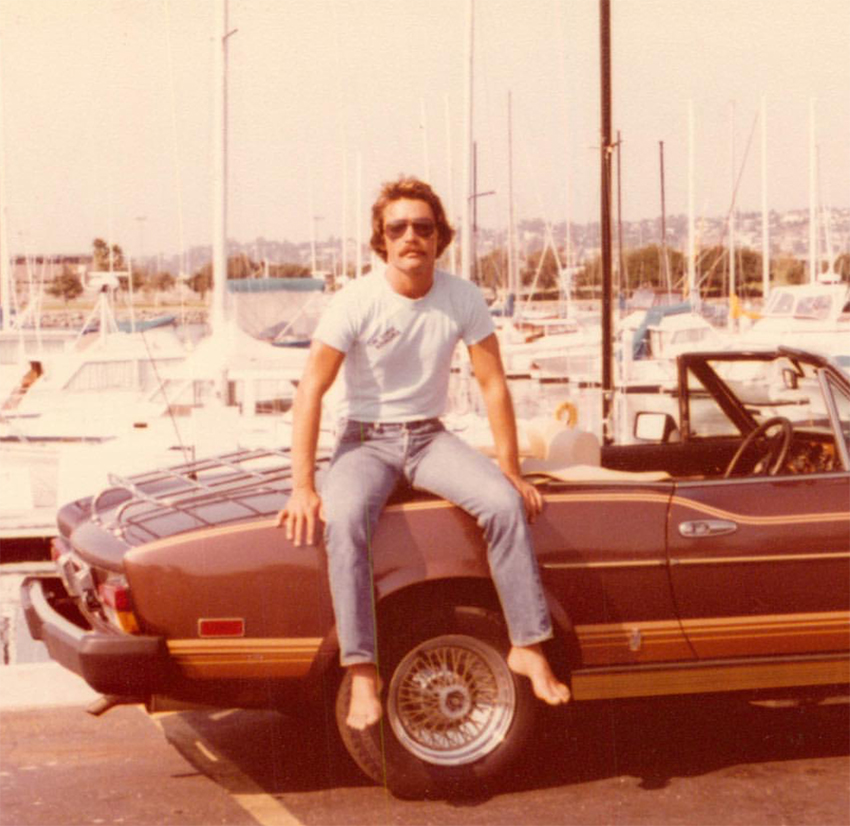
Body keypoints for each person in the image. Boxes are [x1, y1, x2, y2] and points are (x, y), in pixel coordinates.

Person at [279, 176, 570, 730]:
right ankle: (362, 669)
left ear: (440, 237)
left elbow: (493, 385)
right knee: (342, 520)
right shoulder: (357, 300)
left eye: (423, 227)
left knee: (504, 505)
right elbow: (311, 391)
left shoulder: (461, 296)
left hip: (430, 438)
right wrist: (302, 486)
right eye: (398, 228)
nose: (411, 236)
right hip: (365, 441)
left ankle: (528, 645)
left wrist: (509, 469)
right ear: (382, 240)